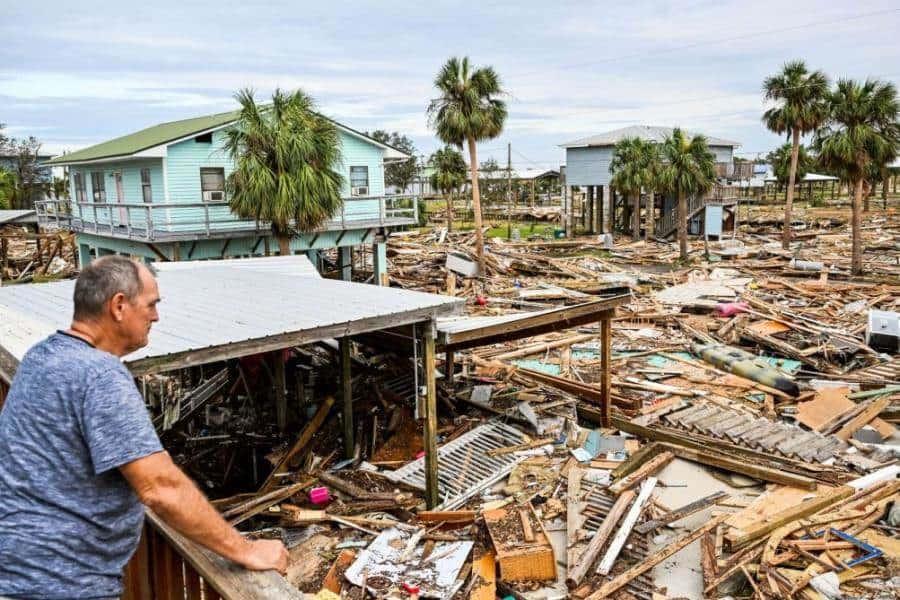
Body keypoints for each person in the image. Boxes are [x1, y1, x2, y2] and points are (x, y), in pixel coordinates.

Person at [0, 256, 288, 599]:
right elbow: (160, 487)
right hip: (61, 583)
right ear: (119, 306)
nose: (156, 316)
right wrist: (246, 550)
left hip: (20, 571)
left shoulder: (42, 356)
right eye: (151, 305)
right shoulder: (99, 375)